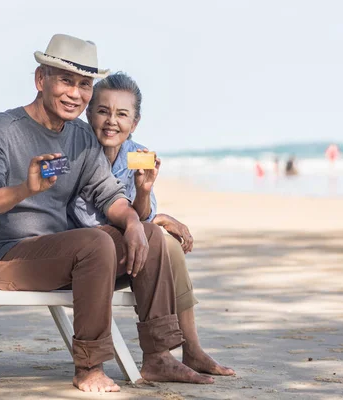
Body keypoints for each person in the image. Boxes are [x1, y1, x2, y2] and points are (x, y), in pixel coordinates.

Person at [0, 34, 211, 393]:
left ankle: (159, 357)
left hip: (60, 254)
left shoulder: (81, 137)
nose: (75, 94)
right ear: (41, 80)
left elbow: (108, 195)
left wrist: (132, 221)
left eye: (84, 85)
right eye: (65, 80)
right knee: (95, 243)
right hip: (5, 256)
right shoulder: (4, 129)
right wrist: (26, 189)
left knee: (149, 234)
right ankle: (89, 366)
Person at [69, 72, 235, 378]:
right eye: (103, 111)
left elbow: (139, 216)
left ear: (135, 122)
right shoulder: (81, 152)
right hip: (93, 256)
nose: (111, 121)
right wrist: (153, 221)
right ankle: (175, 352)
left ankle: (190, 349)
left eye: (122, 114)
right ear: (89, 112)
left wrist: (144, 193)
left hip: (129, 251)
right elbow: (91, 220)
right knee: (161, 238)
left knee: (166, 241)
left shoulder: (137, 154)